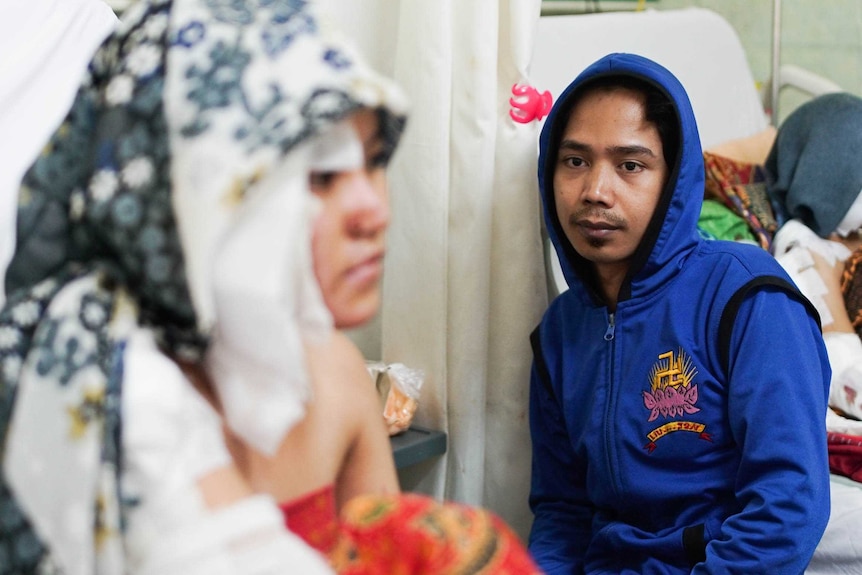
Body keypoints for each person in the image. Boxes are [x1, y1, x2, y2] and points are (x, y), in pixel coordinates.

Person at [0, 1, 542, 573]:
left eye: (375, 160)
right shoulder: (71, 396)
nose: (373, 210)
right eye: (320, 176)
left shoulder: (334, 379)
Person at [527, 52, 831, 574]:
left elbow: (787, 505)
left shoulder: (746, 297)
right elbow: (563, 513)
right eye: (575, 161)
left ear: (673, 181)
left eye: (630, 166)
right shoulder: (558, 333)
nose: (596, 191)